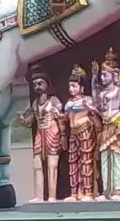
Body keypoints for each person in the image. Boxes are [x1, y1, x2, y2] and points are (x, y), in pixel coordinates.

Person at [94, 48, 120, 199]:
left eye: (105, 75)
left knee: (119, 158)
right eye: (101, 75)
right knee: (105, 159)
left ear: (114, 75)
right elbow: (97, 104)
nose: (102, 78)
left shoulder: (119, 90)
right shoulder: (102, 93)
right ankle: (106, 191)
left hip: (118, 126)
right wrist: (92, 80)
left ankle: (119, 191)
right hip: (106, 127)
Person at [63, 65, 98, 199]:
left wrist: (90, 109)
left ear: (82, 88)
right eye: (70, 86)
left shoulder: (87, 100)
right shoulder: (69, 102)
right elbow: (66, 116)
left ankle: (87, 191)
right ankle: (74, 192)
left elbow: (94, 111)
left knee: (86, 161)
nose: (71, 89)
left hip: (85, 131)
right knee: (73, 162)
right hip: (73, 133)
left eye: (74, 86)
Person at [28, 73, 64, 201]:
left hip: (52, 132)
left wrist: (63, 135)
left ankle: (52, 196)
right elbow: (30, 121)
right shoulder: (34, 103)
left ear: (47, 85)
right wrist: (22, 120)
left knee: (52, 165)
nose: (37, 87)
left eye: (40, 83)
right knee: (37, 165)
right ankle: (39, 196)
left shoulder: (53, 100)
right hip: (39, 134)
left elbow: (61, 117)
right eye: (35, 84)